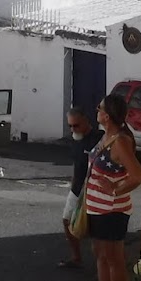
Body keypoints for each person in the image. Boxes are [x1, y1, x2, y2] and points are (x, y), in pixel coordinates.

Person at [78, 93, 141, 281]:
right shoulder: (107, 136)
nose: (96, 111)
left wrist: (114, 189)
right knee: (101, 256)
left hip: (112, 211)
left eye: (99, 108)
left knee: (113, 259)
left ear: (106, 116)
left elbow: (137, 176)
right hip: (98, 208)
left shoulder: (120, 141)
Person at [59, 107, 102, 268]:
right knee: (67, 221)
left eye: (76, 125)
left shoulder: (99, 139)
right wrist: (73, 184)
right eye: (70, 126)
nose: (72, 129)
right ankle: (76, 257)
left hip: (93, 189)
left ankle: (102, 263)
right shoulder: (75, 140)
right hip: (76, 189)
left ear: (86, 122)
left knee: (93, 229)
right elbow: (77, 164)